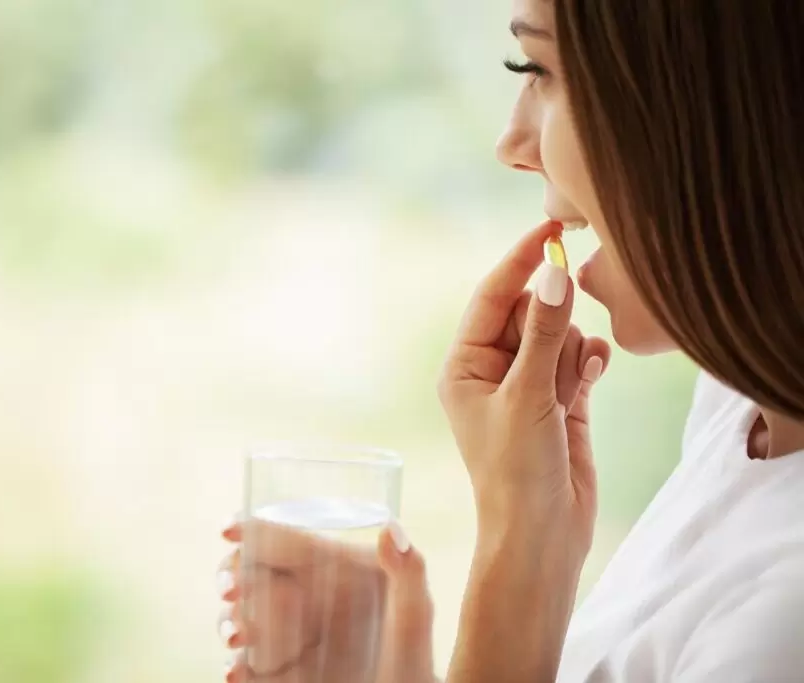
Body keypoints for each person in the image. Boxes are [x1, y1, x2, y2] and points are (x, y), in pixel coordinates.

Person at [215, 0, 804, 680]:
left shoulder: (783, 623)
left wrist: (517, 552)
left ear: (726, 101)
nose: (512, 143)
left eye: (541, 69)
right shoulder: (740, 410)